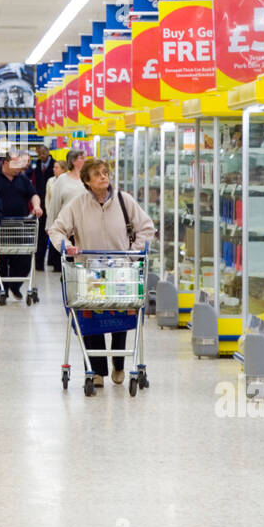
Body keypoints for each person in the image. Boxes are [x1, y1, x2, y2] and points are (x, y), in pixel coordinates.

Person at [49, 157, 155, 388]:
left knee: (119, 318)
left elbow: (147, 228)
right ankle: (96, 371)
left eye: (105, 172)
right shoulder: (77, 205)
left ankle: (118, 365)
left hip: (121, 272)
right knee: (91, 319)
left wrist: (132, 254)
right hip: (90, 273)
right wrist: (66, 246)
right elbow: (56, 230)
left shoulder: (124, 201)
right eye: (97, 174)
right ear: (86, 180)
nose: (104, 177)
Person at [0, 151, 42, 300]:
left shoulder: (23, 179)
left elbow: (34, 194)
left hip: (20, 227)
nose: (20, 166)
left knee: (23, 260)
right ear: (5, 163)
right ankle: (1, 289)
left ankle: (14, 285)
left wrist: (36, 206)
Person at [45, 150, 87, 272]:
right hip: (67, 228)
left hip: (85, 227)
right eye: (81, 158)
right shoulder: (62, 179)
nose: (84, 160)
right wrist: (50, 225)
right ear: (73, 161)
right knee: (68, 267)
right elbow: (54, 203)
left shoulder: (88, 178)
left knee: (83, 265)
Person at [31, 145, 54, 273]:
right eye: (39, 153)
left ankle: (53, 261)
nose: (42, 155)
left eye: (44, 152)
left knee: (52, 233)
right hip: (39, 204)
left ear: (48, 152)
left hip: (50, 203)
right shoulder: (37, 165)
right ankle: (39, 263)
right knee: (40, 235)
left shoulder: (54, 165)